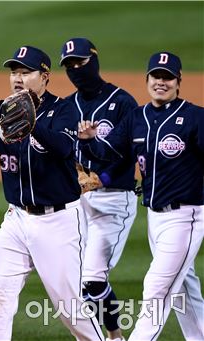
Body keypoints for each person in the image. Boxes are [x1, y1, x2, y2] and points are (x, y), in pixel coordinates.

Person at [0, 46, 104, 340]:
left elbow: (65, 148)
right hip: (16, 220)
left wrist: (33, 125)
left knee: (70, 309)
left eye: (25, 72)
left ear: (45, 77)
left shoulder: (64, 110)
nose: (17, 77)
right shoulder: (1, 111)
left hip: (58, 222)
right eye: (14, 71)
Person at [77, 52, 204, 341]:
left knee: (156, 288)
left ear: (178, 81)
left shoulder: (197, 117)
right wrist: (89, 142)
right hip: (156, 220)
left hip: (187, 217)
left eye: (167, 77)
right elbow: (109, 153)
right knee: (185, 287)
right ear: (147, 79)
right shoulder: (137, 117)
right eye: (156, 76)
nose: (161, 82)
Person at [60, 37, 139, 341]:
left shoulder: (123, 102)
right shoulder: (67, 106)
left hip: (115, 200)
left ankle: (112, 335)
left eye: (80, 62)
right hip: (78, 203)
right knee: (78, 281)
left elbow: (129, 155)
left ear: (94, 60)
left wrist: (101, 179)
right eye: (69, 65)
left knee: (92, 280)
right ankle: (113, 334)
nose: (76, 69)